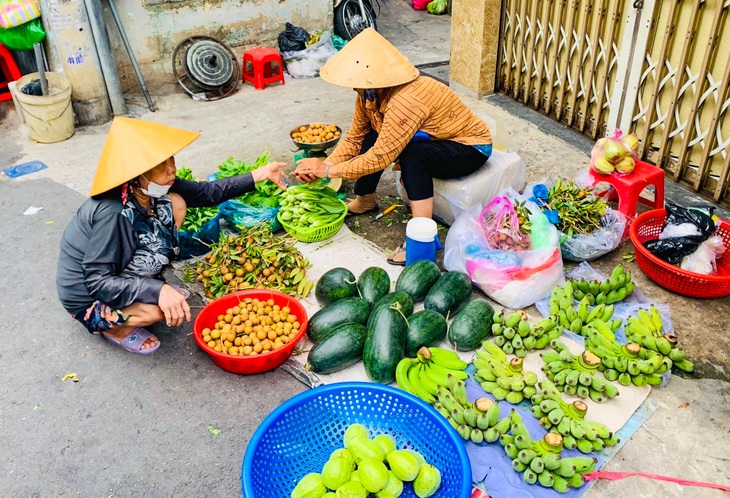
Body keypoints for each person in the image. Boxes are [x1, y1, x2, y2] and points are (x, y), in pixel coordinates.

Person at [56, 117, 287, 354]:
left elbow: (206, 193)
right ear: (137, 174)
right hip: (88, 293)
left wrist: (259, 174)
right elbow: (97, 280)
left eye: (171, 159)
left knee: (176, 202)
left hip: (116, 269)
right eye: (161, 163)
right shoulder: (114, 213)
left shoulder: (152, 185)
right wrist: (158, 291)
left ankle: (148, 284)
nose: (172, 169)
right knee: (155, 312)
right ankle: (114, 329)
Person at [293, 28, 493, 265]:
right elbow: (355, 138)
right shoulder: (369, 92)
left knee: (413, 155)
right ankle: (365, 199)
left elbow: (380, 157)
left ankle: (422, 239)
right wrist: (325, 165)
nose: (354, 88)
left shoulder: (406, 99)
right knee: (372, 133)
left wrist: (328, 172)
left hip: (470, 147)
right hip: (435, 138)